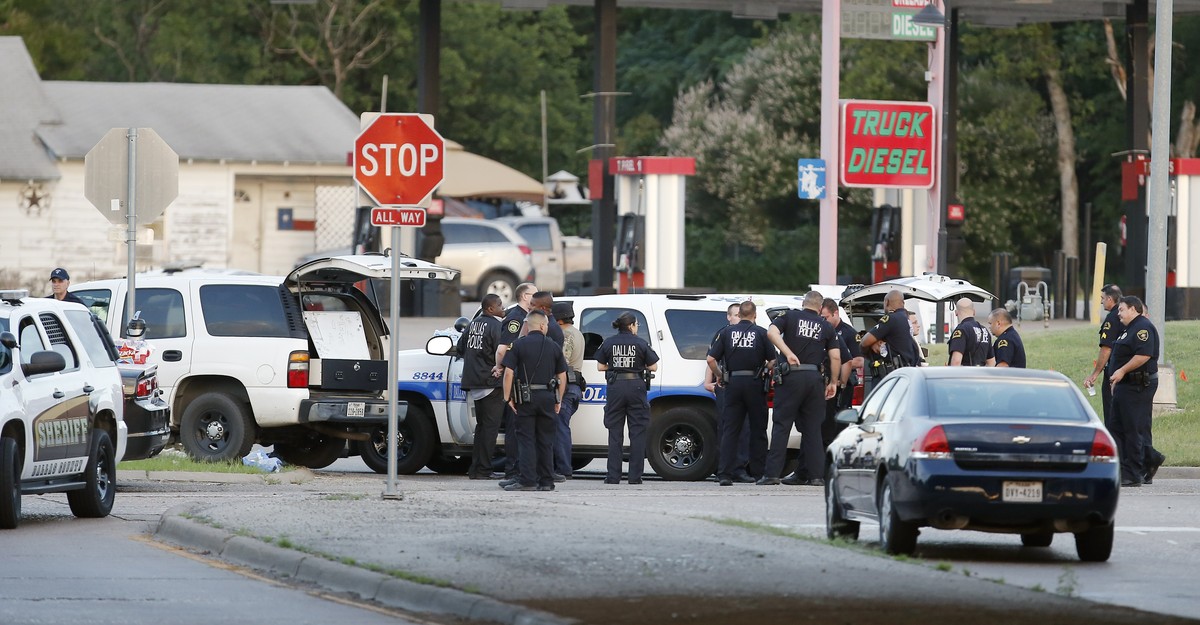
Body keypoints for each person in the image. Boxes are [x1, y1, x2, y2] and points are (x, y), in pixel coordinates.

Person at [759, 291, 840, 486]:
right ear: (820, 308)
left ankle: (772, 475)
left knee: (782, 425)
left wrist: (788, 353)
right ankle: (816, 476)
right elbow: (836, 357)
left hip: (791, 377)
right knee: (813, 428)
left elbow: (771, 333)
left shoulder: (790, 316)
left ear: (804, 303)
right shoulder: (826, 326)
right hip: (814, 379)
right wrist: (833, 382)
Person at [706, 300, 775, 487]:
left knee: (730, 429)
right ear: (754, 315)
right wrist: (764, 368)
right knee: (758, 430)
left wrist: (720, 376)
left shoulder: (726, 333)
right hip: (754, 382)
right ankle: (760, 473)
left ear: (741, 314)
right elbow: (773, 360)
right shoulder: (761, 333)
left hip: (733, 383)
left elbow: (711, 359)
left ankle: (724, 474)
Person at [499, 310, 567, 492]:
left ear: (527, 326)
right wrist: (558, 398)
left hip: (525, 398)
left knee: (526, 440)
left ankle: (527, 480)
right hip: (547, 397)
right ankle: (546, 481)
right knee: (545, 440)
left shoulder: (518, 345)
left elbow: (508, 373)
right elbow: (562, 374)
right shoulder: (553, 346)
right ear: (544, 326)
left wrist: (508, 398)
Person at [596, 311, 659, 485]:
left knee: (615, 432)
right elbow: (653, 366)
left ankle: (613, 477)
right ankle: (635, 477)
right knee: (637, 432)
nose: (637, 327)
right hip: (636, 387)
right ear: (631, 325)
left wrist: (616, 366)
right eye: (636, 324)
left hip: (615, 387)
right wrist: (637, 366)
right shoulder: (640, 343)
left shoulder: (608, 342)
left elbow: (601, 367)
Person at [1107, 296, 1162, 487]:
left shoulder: (1142, 328)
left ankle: (1134, 473)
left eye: (1121, 309)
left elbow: (1143, 355)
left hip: (1137, 385)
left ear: (1133, 309)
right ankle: (1148, 461)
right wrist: (1117, 379)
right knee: (1118, 427)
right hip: (1126, 385)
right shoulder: (1128, 329)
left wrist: (1121, 371)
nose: (1118, 313)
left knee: (1132, 429)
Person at [703, 303, 754, 479]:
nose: (738, 318)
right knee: (726, 428)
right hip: (725, 384)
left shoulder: (750, 333)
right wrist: (710, 381)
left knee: (744, 428)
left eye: (740, 315)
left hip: (741, 383)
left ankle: (739, 468)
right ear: (728, 317)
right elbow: (711, 359)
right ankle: (723, 468)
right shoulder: (723, 334)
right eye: (735, 315)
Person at [458, 294, 505, 480]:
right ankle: (484, 470)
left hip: (474, 382)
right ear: (491, 309)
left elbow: (461, 348)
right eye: (500, 305)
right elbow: (501, 352)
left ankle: (475, 469)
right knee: (490, 428)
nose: (503, 308)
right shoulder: (496, 326)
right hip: (491, 382)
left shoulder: (473, 323)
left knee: (482, 427)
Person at [495, 283, 538, 480]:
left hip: (523, 376)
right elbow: (504, 348)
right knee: (514, 426)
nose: (536, 299)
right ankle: (512, 469)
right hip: (514, 376)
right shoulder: (516, 318)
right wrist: (502, 367)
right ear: (525, 296)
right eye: (534, 295)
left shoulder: (527, 317)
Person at [819, 298, 860, 446]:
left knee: (838, 427)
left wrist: (837, 364)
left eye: (825, 317)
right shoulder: (822, 330)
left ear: (835, 313)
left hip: (842, 385)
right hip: (826, 383)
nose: (822, 320)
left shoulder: (849, 332)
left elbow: (859, 360)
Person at [859, 290, 917, 393]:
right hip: (902, 375)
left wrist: (870, 347)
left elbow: (864, 342)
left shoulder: (891, 318)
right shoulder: (906, 319)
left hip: (888, 377)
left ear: (886, 302)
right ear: (903, 303)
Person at [552, 301, 585, 480]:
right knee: (560, 427)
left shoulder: (565, 335)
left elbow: (561, 364)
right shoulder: (577, 333)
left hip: (565, 386)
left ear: (557, 320)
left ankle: (563, 469)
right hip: (574, 385)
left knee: (560, 428)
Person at [1085, 284, 1125, 430]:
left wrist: (1095, 373)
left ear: (1110, 299)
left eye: (1102, 298)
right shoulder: (1125, 316)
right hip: (1125, 370)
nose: (1101, 302)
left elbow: (1106, 348)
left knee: (1111, 414)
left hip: (1113, 371)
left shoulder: (1112, 318)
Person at [947, 298, 995, 367]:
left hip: (964, 376)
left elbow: (956, 361)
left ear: (956, 313)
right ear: (974, 312)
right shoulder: (984, 331)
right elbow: (991, 362)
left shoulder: (961, 330)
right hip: (980, 376)